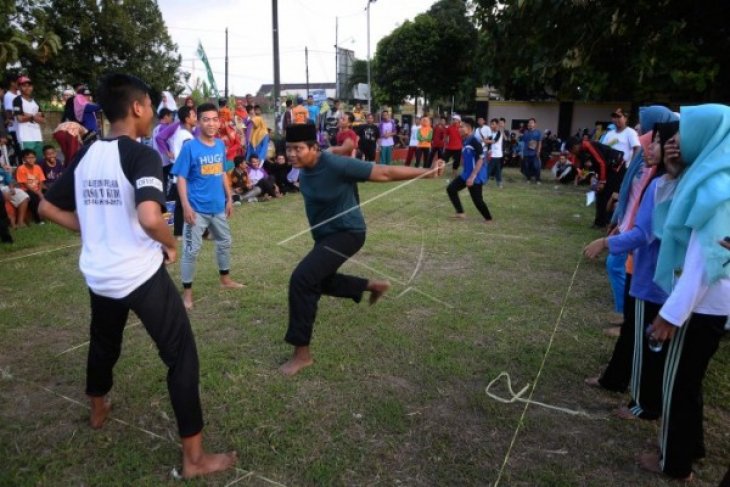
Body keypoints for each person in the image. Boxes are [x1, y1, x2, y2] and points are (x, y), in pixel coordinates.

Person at [38, 73, 236, 479]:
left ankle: (97, 410)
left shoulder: (88, 154)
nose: (150, 111)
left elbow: (45, 208)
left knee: (103, 342)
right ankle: (194, 459)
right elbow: (149, 217)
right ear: (138, 107)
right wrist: (170, 243)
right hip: (138, 274)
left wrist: (90, 228)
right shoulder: (141, 154)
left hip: (99, 276)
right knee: (181, 354)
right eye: (148, 103)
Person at [281, 123, 443, 376]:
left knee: (302, 279)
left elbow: (384, 172)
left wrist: (427, 172)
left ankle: (302, 355)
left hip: (347, 233)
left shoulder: (334, 164)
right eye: (288, 148)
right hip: (325, 236)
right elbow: (337, 147)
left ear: (314, 148)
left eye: (298, 149)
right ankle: (371, 286)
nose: (291, 154)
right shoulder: (306, 165)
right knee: (317, 281)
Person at [638, 104, 730, 481]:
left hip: (701, 304)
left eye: (686, 130)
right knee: (689, 380)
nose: (675, 138)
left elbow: (704, 260)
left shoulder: (715, 187)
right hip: (705, 303)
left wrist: (670, 315)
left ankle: (674, 463)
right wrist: (674, 174)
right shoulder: (707, 176)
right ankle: (691, 447)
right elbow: (670, 221)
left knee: (677, 383)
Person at [171, 102, 244, 310]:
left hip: (218, 207)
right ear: (198, 122)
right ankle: (187, 295)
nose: (211, 123)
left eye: (214, 119)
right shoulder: (190, 147)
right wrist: (185, 206)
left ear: (219, 121)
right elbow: (181, 178)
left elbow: (221, 172)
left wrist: (229, 198)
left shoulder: (221, 144)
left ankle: (225, 279)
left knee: (224, 241)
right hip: (196, 210)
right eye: (206, 119)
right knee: (191, 251)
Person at [445, 117, 493, 223]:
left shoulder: (474, 140)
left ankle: (488, 219)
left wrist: (472, 177)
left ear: (469, 128)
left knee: (477, 200)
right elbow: (467, 157)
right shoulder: (466, 140)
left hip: (475, 176)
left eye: (461, 126)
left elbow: (481, 159)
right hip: (466, 174)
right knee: (451, 189)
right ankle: (460, 212)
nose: (459, 129)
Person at [12, 76, 45, 159]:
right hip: (25, 137)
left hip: (37, 136)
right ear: (19, 87)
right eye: (24, 86)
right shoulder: (17, 100)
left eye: (29, 85)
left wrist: (26, 114)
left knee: (39, 162)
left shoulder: (35, 101)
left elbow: (43, 120)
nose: (27, 88)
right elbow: (19, 119)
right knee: (28, 162)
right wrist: (33, 117)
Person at [521, 118, 542, 183]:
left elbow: (540, 143)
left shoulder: (538, 132)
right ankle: (528, 179)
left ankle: (537, 179)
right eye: (529, 123)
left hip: (534, 153)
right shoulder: (526, 132)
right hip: (526, 153)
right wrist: (522, 152)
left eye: (531, 123)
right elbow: (523, 143)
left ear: (535, 124)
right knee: (527, 166)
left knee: (536, 166)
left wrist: (538, 151)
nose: (530, 124)